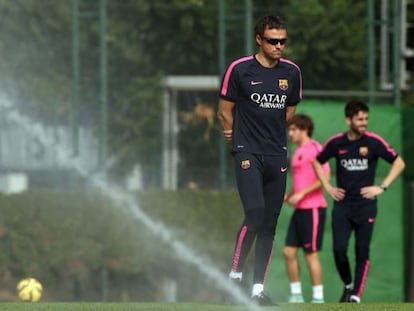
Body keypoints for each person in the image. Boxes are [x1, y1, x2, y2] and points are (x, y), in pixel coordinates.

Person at [217, 15, 302, 305]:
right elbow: (224, 110)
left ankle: (257, 291)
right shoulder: (239, 69)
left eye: (283, 41)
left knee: (269, 224)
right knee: (254, 213)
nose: (279, 46)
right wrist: (232, 135)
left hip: (276, 154)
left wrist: (272, 132)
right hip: (247, 151)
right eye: (273, 41)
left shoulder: (291, 73)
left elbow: (289, 111)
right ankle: (234, 277)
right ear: (259, 39)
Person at [313, 100, 405, 303]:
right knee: (339, 249)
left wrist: (381, 187)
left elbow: (399, 162)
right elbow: (317, 162)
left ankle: (355, 297)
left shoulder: (374, 142)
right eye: (360, 119)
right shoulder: (337, 143)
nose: (364, 123)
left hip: (366, 205)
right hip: (343, 205)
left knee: (362, 250)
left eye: (366, 119)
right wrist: (328, 187)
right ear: (348, 120)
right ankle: (348, 284)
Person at [283, 114, 330, 304]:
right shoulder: (297, 152)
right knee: (288, 252)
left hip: (314, 209)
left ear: (304, 129)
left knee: (310, 254)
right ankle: (296, 295)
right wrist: (289, 195)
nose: (290, 133)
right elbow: (300, 182)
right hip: (300, 210)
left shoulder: (316, 149)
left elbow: (324, 178)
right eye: (289, 129)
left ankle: (318, 298)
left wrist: (302, 195)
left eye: (293, 129)